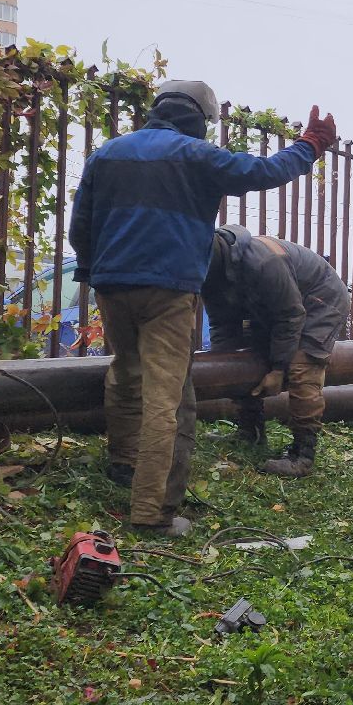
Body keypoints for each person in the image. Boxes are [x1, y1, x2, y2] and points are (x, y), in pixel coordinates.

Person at [69, 81, 335, 535]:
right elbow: (263, 172)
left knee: (125, 374)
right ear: (197, 119)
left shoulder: (107, 154)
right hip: (168, 292)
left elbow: (80, 229)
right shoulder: (195, 154)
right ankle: (152, 512)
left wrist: (101, 272)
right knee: (169, 400)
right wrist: (311, 145)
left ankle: (122, 465)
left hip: (111, 287)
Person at [203, 225, 349, 478]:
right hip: (276, 308)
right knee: (243, 363)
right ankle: (250, 432)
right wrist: (224, 366)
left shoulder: (264, 263)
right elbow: (222, 324)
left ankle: (302, 455)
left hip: (319, 301)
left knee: (302, 369)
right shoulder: (207, 271)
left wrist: (279, 368)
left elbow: (291, 315)